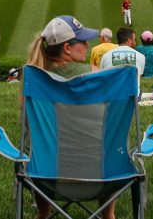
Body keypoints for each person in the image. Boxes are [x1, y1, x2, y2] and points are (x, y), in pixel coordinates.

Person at [24, 15, 112, 219]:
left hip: (44, 178)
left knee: (38, 146)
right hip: (105, 176)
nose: (88, 45)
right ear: (67, 48)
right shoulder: (101, 77)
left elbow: (30, 135)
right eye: (83, 41)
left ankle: (43, 213)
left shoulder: (35, 81)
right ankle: (109, 215)